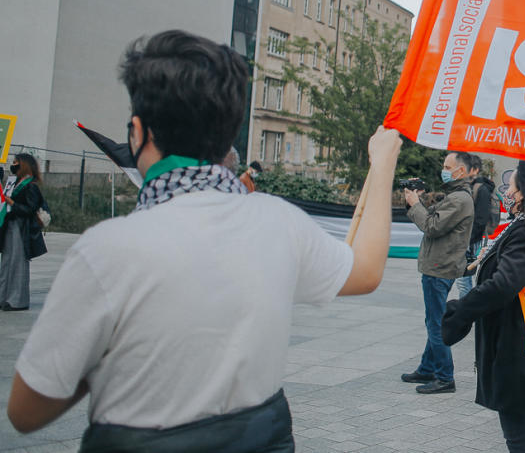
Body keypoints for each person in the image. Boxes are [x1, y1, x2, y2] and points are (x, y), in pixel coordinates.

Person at [7, 30, 402, 452]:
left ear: (138, 133)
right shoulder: (279, 223)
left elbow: (26, 412)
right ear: (228, 136)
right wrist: (382, 164)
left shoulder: (105, 250)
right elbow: (365, 270)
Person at [442, 161, 525, 453]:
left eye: (511, 185)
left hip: (520, 344)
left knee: (520, 434)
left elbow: (505, 283)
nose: (508, 191)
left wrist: (462, 311)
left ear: (524, 191)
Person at [401, 151, 474, 394]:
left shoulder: (459, 199)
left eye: (447, 166)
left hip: (439, 267)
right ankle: (428, 367)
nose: (443, 169)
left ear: (460, 171)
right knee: (434, 318)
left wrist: (414, 204)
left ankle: (445, 377)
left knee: (435, 322)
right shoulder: (456, 196)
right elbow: (434, 218)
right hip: (439, 265)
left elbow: (431, 226)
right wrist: (419, 202)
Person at [0, 154, 48, 312]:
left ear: (24, 165)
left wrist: (13, 204)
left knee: (18, 263)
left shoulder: (30, 186)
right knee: (7, 263)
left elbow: (30, 209)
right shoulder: (16, 183)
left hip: (21, 228)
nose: (13, 165)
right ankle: (4, 297)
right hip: (11, 225)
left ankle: (17, 300)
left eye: (16, 163)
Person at [457, 154, 495, 298]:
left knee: (463, 280)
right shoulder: (467, 187)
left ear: (474, 170)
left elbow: (481, 219)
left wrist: (467, 240)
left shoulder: (481, 189)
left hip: (470, 241)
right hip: (465, 239)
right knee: (463, 279)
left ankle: (465, 312)